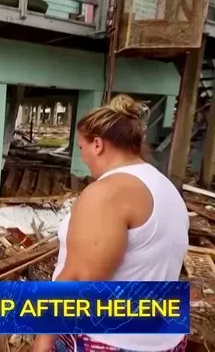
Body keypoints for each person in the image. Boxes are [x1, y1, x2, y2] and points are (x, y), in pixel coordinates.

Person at [33, 95, 189, 352]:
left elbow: (81, 283)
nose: (82, 157)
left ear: (97, 144)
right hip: (164, 338)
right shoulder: (165, 188)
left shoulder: (107, 193)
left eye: (81, 148)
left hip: (106, 340)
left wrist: (43, 340)